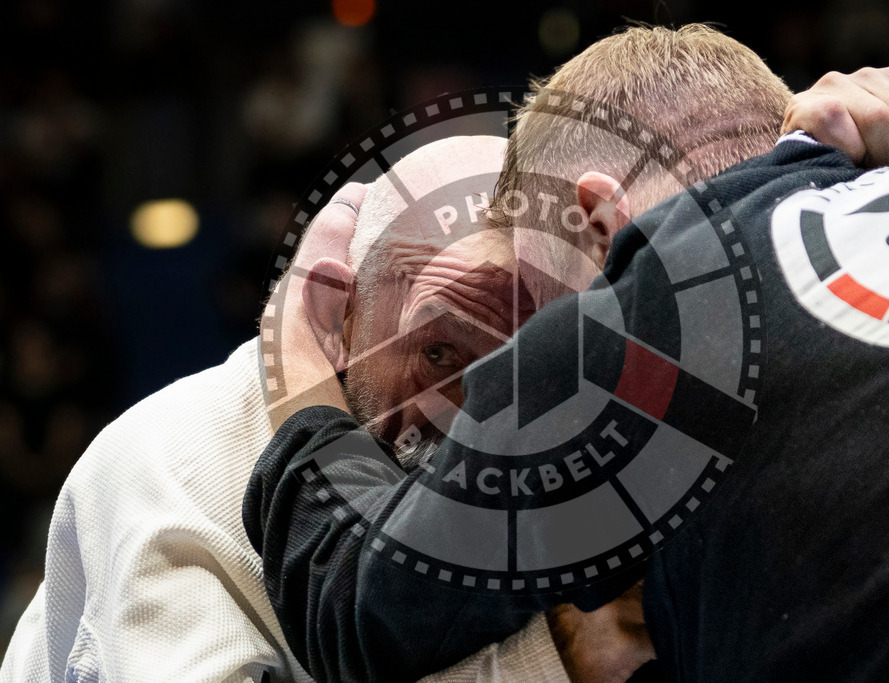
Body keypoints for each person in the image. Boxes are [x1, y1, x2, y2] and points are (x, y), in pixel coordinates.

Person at [244, 24, 889, 683]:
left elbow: (354, 604)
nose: (545, 346)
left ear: (601, 224)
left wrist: (297, 358)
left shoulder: (622, 361)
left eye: (551, 310)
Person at [0, 136, 570, 682]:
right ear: (337, 317)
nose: (471, 417)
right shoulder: (172, 469)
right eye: (439, 354)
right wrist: (556, 663)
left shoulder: (547, 469)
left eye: (519, 374)